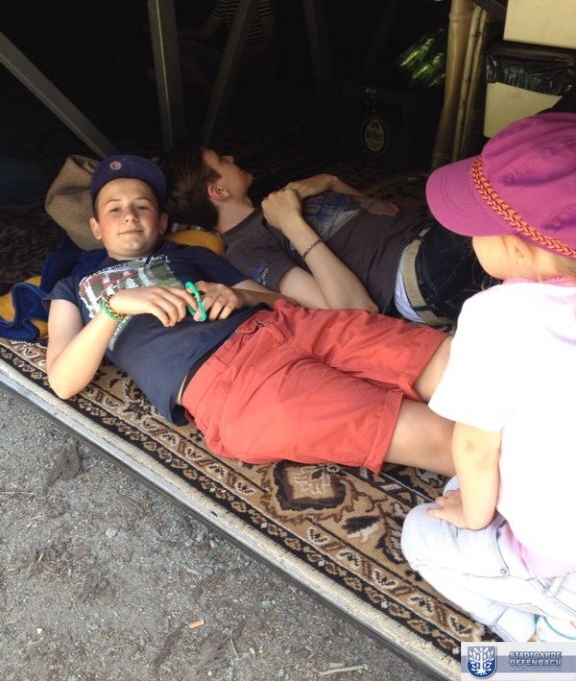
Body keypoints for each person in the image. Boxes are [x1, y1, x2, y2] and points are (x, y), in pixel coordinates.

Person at [45, 154, 455, 477]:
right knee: (432, 435)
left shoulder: (191, 254)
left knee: (453, 362)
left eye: (142, 206)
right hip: (230, 381)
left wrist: (239, 295)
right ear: (95, 228)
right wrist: (115, 307)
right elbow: (62, 381)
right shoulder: (74, 287)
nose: (130, 215)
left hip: (289, 325)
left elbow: (279, 299)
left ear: (163, 221)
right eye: (114, 209)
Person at [401, 112, 576, 643]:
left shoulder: (496, 317)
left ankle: (541, 644)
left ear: (520, 248)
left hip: (562, 562)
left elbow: (476, 446)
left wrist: (474, 516)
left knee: (421, 531)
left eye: (477, 226)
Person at [162, 145, 496, 326]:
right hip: (416, 276)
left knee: (509, 161)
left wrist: (331, 182)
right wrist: (292, 222)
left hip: (428, 237)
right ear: (218, 191)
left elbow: (378, 212)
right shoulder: (245, 249)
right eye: (221, 160)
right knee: (503, 186)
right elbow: (351, 308)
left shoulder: (274, 201)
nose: (232, 157)